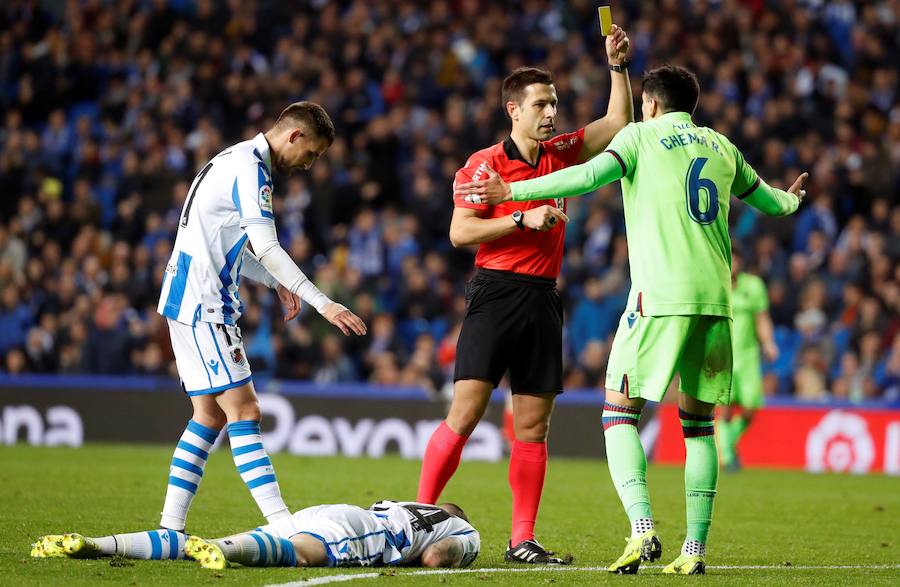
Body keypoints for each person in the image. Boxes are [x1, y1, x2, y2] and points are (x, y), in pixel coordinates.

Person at [456, 64, 807, 574]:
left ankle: (642, 530)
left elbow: (586, 174)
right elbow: (771, 202)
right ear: (694, 103)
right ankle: (694, 551)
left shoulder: (640, 138)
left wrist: (512, 194)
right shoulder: (723, 147)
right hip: (715, 301)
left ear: (652, 105)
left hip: (658, 298)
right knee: (700, 427)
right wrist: (794, 200)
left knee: (619, 413)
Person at [415, 25, 632, 565]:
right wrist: (519, 217)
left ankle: (522, 540)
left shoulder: (560, 152)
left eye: (554, 103)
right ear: (513, 109)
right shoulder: (483, 164)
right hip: (496, 292)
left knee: (534, 426)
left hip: (542, 298)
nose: (551, 113)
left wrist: (617, 66)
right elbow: (460, 233)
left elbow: (618, 123)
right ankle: (415, 517)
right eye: (540, 104)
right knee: (465, 413)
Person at [155, 102, 367, 535]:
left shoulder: (231, 159)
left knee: (209, 417)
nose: (309, 165)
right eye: (312, 154)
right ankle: (283, 526)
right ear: (294, 136)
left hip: (186, 297)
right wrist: (323, 303)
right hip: (203, 304)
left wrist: (274, 283)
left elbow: (225, 244)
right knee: (245, 410)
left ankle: (171, 527)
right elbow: (267, 247)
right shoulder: (251, 169)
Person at [31, 501, 479, 569]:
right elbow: (436, 557)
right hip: (366, 533)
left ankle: (99, 544)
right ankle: (223, 550)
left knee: (192, 542)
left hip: (331, 509)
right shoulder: (465, 529)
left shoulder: (412, 502)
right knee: (300, 555)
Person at [717, 246, 778, 471]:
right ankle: (727, 457)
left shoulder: (753, 286)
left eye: (736, 256)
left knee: (751, 407)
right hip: (721, 354)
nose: (733, 261)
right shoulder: (715, 284)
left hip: (748, 355)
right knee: (724, 406)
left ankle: (727, 444)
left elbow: (761, 318)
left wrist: (769, 342)